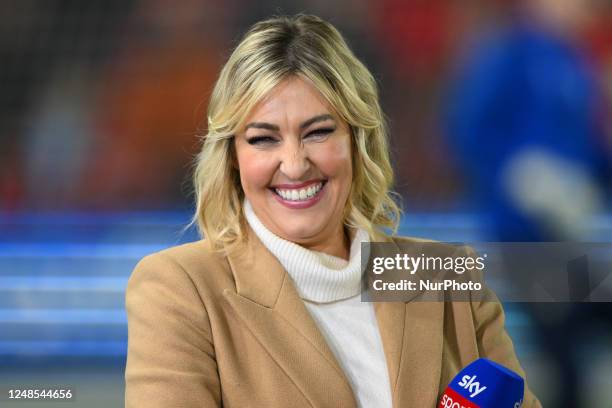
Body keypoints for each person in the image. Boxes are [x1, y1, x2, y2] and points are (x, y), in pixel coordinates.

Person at [125, 14, 541, 407]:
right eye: (263, 139)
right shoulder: (180, 288)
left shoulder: (445, 277)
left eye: (318, 132)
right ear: (232, 157)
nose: (294, 164)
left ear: (357, 141)